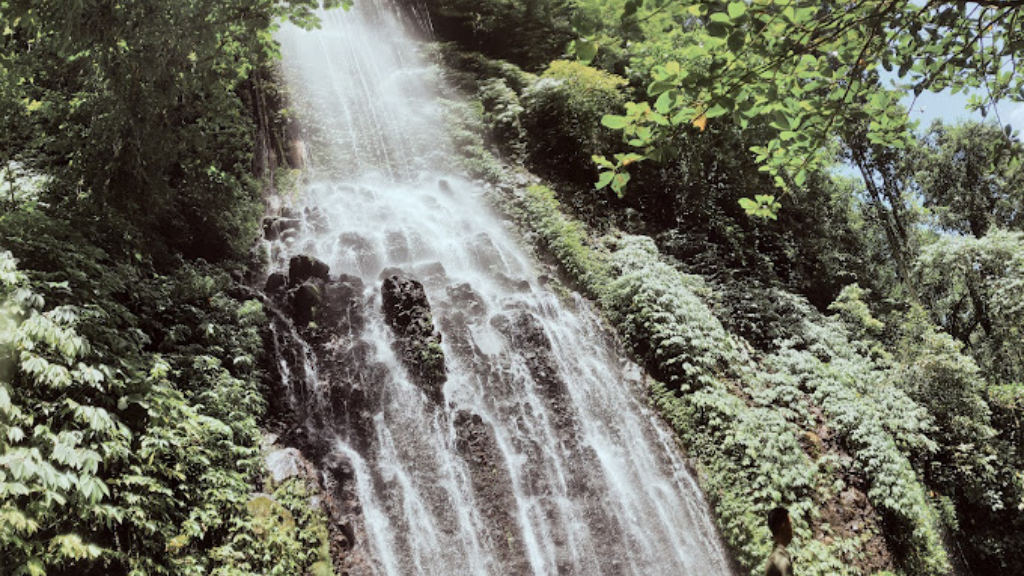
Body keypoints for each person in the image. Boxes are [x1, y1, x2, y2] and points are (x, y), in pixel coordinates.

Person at [766, 506, 794, 576]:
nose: (792, 529)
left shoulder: (773, 557)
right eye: (790, 524)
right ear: (783, 526)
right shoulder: (782, 561)